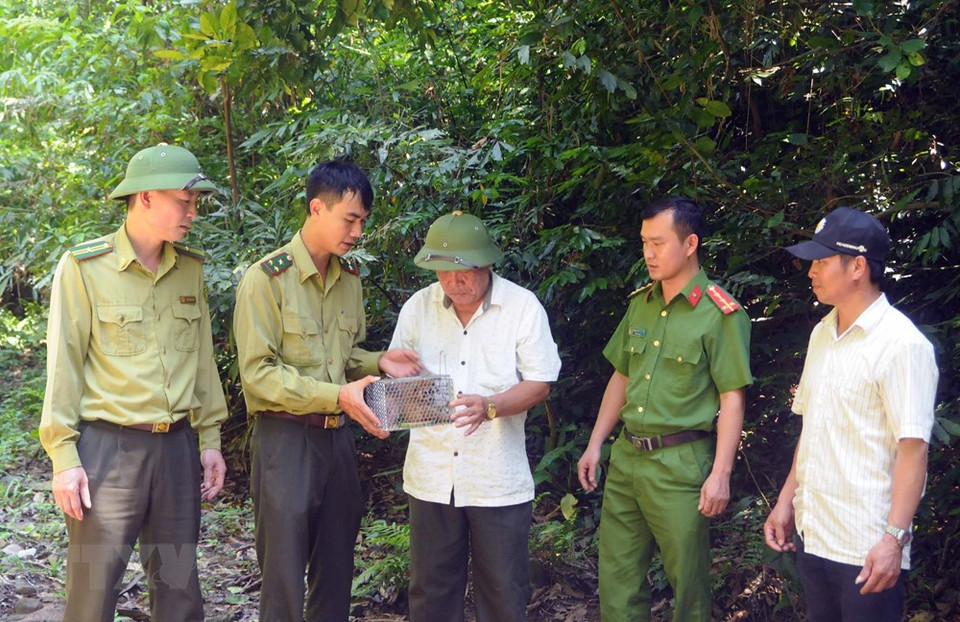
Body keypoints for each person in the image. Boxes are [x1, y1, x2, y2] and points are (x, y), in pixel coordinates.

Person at [39, 143, 228, 622]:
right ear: (144, 198)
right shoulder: (84, 268)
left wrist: (209, 440)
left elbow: (202, 361)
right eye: (183, 201)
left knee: (180, 593)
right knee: (92, 595)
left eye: (196, 203)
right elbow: (64, 366)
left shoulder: (190, 268)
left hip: (177, 454)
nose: (192, 213)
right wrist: (64, 458)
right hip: (108, 453)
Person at [233, 159, 422, 621]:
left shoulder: (349, 279)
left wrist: (379, 361)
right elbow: (258, 376)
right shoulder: (265, 280)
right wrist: (335, 395)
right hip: (285, 441)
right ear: (317, 208)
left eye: (363, 221)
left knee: (337, 568)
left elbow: (344, 356)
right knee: (282, 574)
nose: (358, 231)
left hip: (338, 441)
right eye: (350, 219)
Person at [577, 195, 753, 621]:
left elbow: (732, 396)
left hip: (681, 466)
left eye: (658, 243)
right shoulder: (642, 302)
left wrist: (721, 474)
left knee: (688, 586)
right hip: (626, 460)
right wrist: (596, 442)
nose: (648, 254)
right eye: (644, 243)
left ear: (690, 243)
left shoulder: (720, 313)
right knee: (617, 581)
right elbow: (621, 376)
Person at [763, 207, 938, 621]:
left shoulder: (902, 345)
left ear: (858, 266)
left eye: (822, 262)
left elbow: (913, 450)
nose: (811, 272)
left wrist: (894, 539)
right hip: (814, 531)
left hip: (866, 546)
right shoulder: (822, 333)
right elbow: (813, 427)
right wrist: (786, 501)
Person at [387, 211, 561, 622]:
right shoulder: (418, 308)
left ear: (486, 263)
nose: (452, 282)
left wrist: (491, 406)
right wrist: (399, 388)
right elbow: (396, 374)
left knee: (503, 591)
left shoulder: (521, 307)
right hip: (431, 476)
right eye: (442, 272)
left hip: (496, 478)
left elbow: (540, 382)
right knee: (431, 591)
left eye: (461, 272)